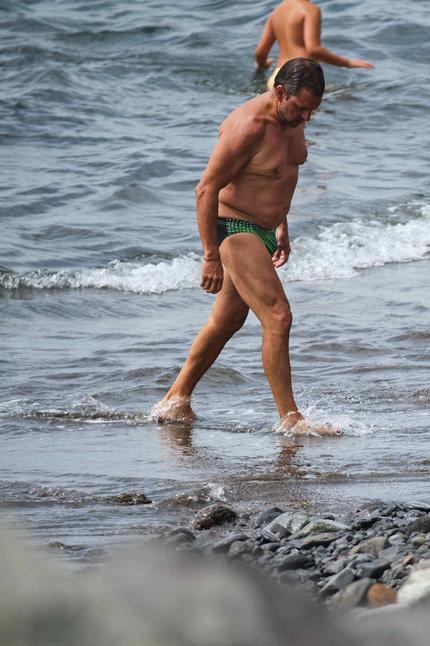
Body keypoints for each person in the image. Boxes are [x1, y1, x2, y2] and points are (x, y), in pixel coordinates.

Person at [155, 58, 337, 436]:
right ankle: (291, 420)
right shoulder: (249, 125)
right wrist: (210, 256)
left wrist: (281, 225)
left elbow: (281, 173)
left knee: (227, 321)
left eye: (312, 111)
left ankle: (175, 399)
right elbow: (205, 189)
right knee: (278, 316)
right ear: (280, 91)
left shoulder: (293, 120)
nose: (305, 118)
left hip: (264, 229)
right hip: (234, 227)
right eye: (299, 108)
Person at [255, 0, 373, 89]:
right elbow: (313, 49)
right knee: (352, 94)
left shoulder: (276, 12)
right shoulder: (310, 10)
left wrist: (264, 65)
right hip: (302, 76)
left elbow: (260, 53)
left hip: (277, 77)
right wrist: (348, 63)